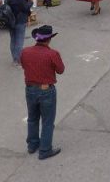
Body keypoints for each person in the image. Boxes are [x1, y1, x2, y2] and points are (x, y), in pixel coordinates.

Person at [20, 25, 65, 160]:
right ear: (49, 39)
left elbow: (24, 65)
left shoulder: (25, 52)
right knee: (47, 121)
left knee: (32, 118)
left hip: (30, 89)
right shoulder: (52, 54)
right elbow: (60, 70)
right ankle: (45, 149)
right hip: (46, 90)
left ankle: (32, 145)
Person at [4, 0, 32, 65]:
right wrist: (30, 0)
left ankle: (14, 58)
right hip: (20, 20)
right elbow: (25, 7)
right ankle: (18, 59)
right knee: (19, 40)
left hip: (10, 20)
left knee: (13, 40)